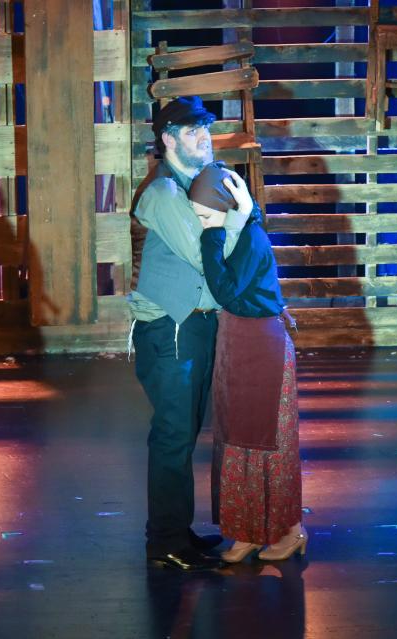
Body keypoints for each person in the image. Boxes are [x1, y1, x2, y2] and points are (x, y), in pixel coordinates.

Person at [128, 96, 253, 571]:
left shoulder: (200, 183)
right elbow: (206, 257)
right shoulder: (162, 193)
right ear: (168, 139)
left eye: (207, 129)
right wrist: (238, 214)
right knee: (173, 435)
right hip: (170, 328)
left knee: (184, 433)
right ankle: (163, 542)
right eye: (193, 131)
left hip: (197, 325)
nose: (205, 137)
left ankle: (176, 531)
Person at [189, 163, 305, 563]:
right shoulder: (239, 231)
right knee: (238, 441)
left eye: (205, 214)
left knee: (270, 443)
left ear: (225, 206)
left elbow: (223, 289)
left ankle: (290, 530)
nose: (202, 223)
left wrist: (211, 235)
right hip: (237, 341)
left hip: (262, 344)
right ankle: (248, 532)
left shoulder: (249, 237)